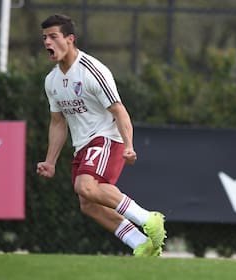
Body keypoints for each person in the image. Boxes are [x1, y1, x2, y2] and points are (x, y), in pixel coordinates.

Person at [36, 14, 166, 257]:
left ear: (70, 39)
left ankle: (149, 218)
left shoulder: (92, 71)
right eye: (45, 38)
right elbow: (57, 122)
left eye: (53, 37)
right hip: (83, 144)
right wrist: (50, 161)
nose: (47, 43)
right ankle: (141, 243)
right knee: (88, 204)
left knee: (85, 186)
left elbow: (119, 110)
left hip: (108, 137)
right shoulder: (52, 81)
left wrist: (129, 145)